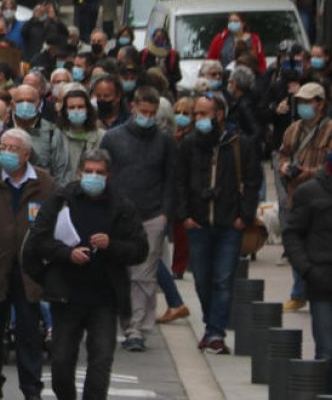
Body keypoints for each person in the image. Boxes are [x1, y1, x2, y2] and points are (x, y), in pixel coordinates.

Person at [23, 148, 148, 400]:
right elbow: (37, 241)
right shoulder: (61, 199)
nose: (93, 176)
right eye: (88, 171)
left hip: (105, 298)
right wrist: (67, 253)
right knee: (60, 362)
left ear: (108, 175)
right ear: (79, 172)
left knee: (101, 361)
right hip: (66, 295)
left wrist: (111, 244)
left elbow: (139, 249)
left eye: (99, 173)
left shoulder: (121, 205)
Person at [0, 128, 55, 400]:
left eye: (13, 149)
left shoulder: (44, 183)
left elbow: (53, 223)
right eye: (3, 147)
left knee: (29, 333)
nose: (6, 153)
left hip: (29, 272)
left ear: (26, 154)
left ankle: (32, 389)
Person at [174, 94, 261, 354]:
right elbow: (179, 182)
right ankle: (211, 324)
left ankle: (215, 332)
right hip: (198, 223)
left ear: (219, 115)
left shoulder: (239, 144)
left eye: (202, 114)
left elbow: (253, 182)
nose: (197, 119)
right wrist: (184, 216)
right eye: (195, 114)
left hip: (228, 225)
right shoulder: (189, 144)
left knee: (223, 279)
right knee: (202, 278)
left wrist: (243, 217)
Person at [98, 86, 177, 351]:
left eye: (152, 113)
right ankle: (123, 321)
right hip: (118, 216)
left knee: (144, 275)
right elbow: (102, 173)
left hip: (152, 215)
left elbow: (170, 179)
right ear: (133, 107)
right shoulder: (112, 138)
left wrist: (166, 214)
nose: (147, 117)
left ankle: (137, 329)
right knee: (118, 274)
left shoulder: (164, 141)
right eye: (143, 112)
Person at [284, 127, 332, 395]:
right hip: (323, 282)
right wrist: (307, 269)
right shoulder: (310, 191)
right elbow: (292, 234)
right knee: (327, 354)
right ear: (327, 152)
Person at [277, 82, 332, 311]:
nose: (304, 105)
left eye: (308, 101)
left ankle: (314, 290)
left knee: (319, 245)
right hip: (296, 196)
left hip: (323, 195)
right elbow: (282, 154)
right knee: (295, 242)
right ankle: (299, 291)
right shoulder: (293, 129)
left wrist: (310, 173)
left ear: (320, 104)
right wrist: (284, 167)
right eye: (301, 101)